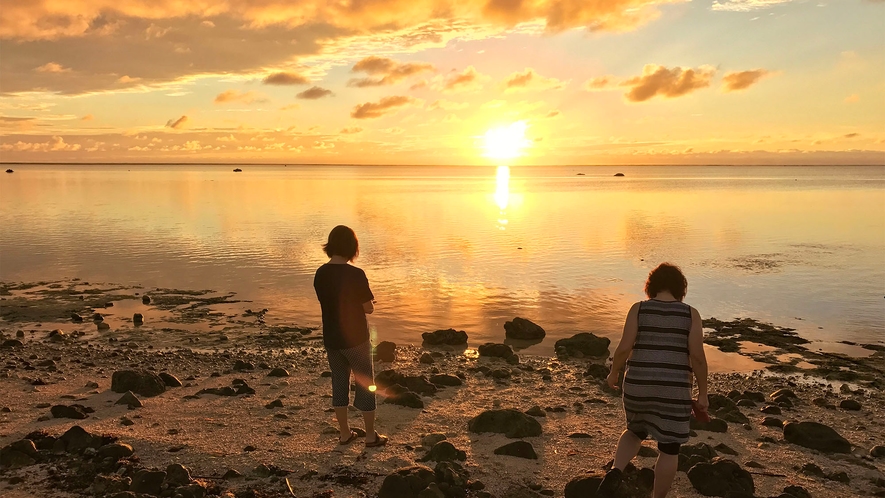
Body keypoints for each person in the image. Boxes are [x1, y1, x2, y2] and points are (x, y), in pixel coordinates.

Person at [598, 263, 708, 498]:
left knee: (634, 431)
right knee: (669, 449)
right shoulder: (690, 314)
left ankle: (616, 470)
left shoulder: (638, 309)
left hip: (638, 385)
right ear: (681, 288)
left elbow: (624, 348)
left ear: (651, 286)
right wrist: (703, 393)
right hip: (674, 390)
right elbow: (697, 357)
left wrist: (614, 372)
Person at [313, 225, 388, 448]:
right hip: (355, 339)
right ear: (352, 247)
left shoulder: (320, 273)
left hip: (332, 338)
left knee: (339, 382)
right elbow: (368, 308)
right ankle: (371, 436)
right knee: (365, 383)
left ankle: (345, 434)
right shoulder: (356, 274)